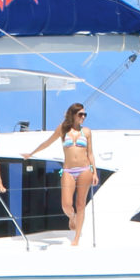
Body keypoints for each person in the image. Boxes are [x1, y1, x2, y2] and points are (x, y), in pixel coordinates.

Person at [37, 101, 97, 243]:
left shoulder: (87, 132)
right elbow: (48, 142)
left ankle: (76, 238)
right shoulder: (63, 129)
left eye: (85, 114)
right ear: (73, 115)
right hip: (68, 170)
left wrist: (94, 172)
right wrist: (32, 152)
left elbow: (90, 154)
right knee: (66, 204)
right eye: (80, 114)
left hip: (84, 169)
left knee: (81, 203)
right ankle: (72, 217)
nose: (83, 117)